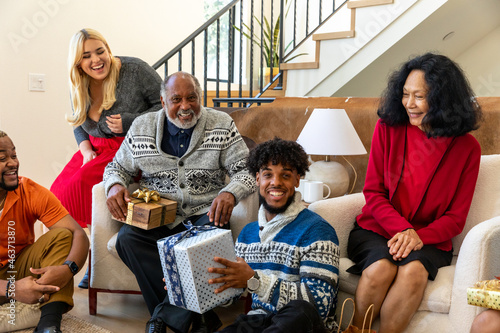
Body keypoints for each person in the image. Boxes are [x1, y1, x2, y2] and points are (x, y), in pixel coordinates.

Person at [103, 71, 256, 333]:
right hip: (158, 217)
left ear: (200, 98)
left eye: (191, 98)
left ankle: (161, 319)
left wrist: (230, 192)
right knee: (127, 239)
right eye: (176, 99)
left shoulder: (221, 124)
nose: (185, 106)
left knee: (206, 240)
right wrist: (114, 185)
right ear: (163, 102)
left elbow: (247, 169)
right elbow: (116, 167)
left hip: (204, 213)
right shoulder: (141, 126)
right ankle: (197, 320)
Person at [346, 53, 482, 333]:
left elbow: (455, 218)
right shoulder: (388, 128)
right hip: (377, 227)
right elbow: (373, 192)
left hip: (431, 239)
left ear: (443, 99)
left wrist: (417, 236)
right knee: (380, 269)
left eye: (419, 96)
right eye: (405, 94)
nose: (409, 104)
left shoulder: (467, 148)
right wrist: (405, 231)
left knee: (413, 273)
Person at [206, 138, 340, 333]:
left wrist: (255, 281)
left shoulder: (318, 231)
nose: (276, 183)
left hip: (301, 325)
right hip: (259, 323)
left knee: (301, 310)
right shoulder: (247, 234)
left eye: (285, 175)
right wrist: (192, 283)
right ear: (257, 178)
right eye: (268, 174)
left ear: (297, 179)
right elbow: (230, 296)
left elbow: (318, 306)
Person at [50, 28, 162, 230]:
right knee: (56, 191)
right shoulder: (78, 82)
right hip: (94, 150)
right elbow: (78, 121)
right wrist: (85, 150)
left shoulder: (135, 70)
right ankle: (73, 247)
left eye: (100, 51)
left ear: (108, 50)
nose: (96, 60)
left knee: (78, 185)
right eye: (86, 56)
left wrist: (130, 122)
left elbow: (165, 106)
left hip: (129, 149)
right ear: (78, 63)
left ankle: (92, 245)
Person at [0, 130, 89, 333]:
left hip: (18, 266)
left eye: (14, 155)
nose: (13, 163)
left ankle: (49, 324)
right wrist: (11, 289)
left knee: (62, 236)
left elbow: (78, 234)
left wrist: (68, 269)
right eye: (2, 158)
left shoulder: (29, 190)